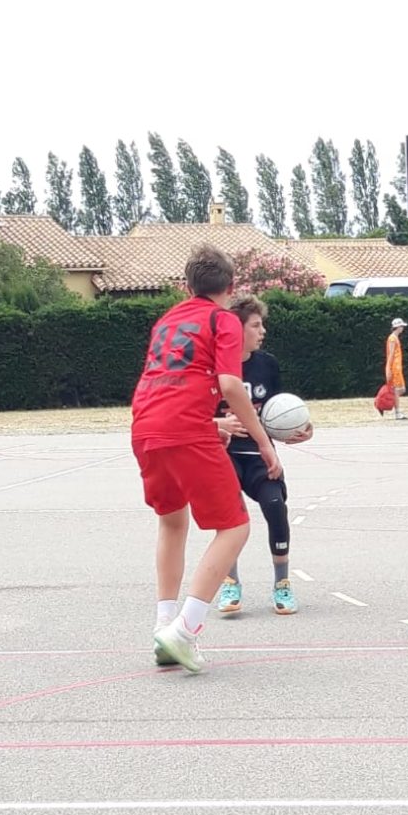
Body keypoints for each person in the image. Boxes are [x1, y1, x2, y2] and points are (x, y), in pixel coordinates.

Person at [131, 244, 282, 674]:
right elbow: (230, 385)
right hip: (185, 430)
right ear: (230, 287)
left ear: (187, 285)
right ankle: (184, 629)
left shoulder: (166, 320)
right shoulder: (223, 320)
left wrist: (210, 424)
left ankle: (163, 626)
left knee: (172, 521)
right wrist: (264, 441)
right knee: (234, 526)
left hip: (146, 425)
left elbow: (170, 381)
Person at [215, 295, 312, 616]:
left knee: (275, 506)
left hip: (258, 454)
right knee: (229, 515)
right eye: (256, 325)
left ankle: (282, 583)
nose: (263, 331)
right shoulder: (214, 366)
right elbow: (193, 414)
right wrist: (219, 423)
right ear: (237, 330)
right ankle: (230, 581)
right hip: (224, 454)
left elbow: (278, 411)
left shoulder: (267, 365)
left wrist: (299, 429)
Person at [385, 317, 408, 420]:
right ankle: (397, 411)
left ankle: (397, 409)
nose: (402, 328)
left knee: (400, 389)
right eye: (401, 326)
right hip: (394, 367)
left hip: (397, 366)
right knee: (397, 389)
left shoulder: (395, 338)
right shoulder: (392, 338)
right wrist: (388, 369)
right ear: (397, 327)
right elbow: (390, 354)